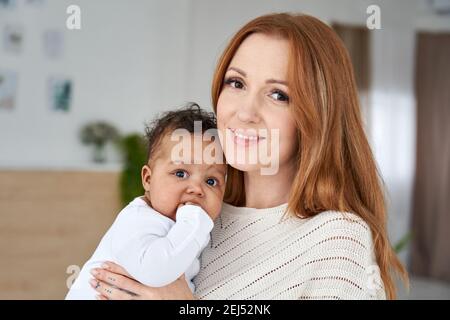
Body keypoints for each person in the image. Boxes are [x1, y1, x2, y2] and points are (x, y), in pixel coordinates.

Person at [90, 13, 408, 300]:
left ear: (317, 116)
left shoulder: (337, 241)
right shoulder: (197, 210)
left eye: (278, 94)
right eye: (237, 83)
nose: (245, 112)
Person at [66, 104, 227, 299]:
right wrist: (194, 221)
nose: (197, 189)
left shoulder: (193, 231)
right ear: (148, 179)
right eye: (180, 173)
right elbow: (157, 273)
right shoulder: (137, 221)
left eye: (211, 181)